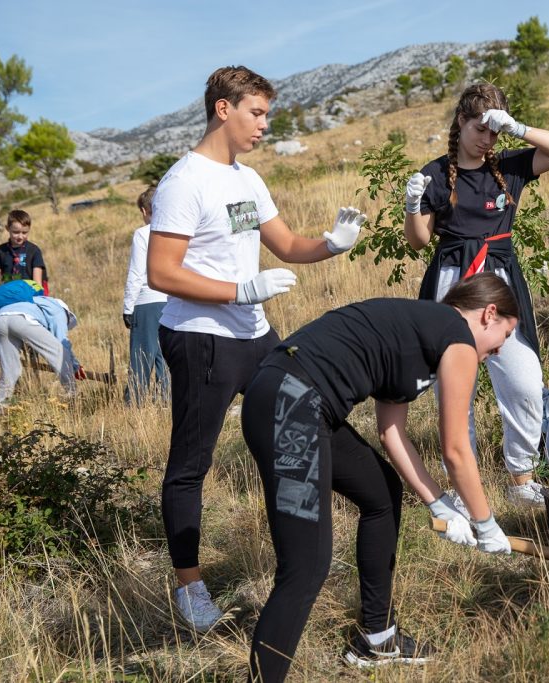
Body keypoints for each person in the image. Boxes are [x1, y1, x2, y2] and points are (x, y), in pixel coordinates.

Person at [145, 65, 367, 631]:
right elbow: (161, 272)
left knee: (301, 424)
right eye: (257, 112)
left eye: (267, 114)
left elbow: (286, 244)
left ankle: (305, 558)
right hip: (201, 337)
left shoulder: (247, 179)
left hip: (255, 334)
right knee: (192, 463)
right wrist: (238, 290)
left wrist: (331, 244)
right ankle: (190, 587)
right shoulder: (184, 182)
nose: (265, 124)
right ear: (224, 109)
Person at [241, 273, 517, 681]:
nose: (498, 350)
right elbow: (456, 450)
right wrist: (486, 522)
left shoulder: (422, 333)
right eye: (505, 335)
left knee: (382, 492)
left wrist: (437, 502)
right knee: (305, 565)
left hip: (289, 398)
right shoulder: (457, 337)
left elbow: (392, 434)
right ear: (489, 314)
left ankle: (378, 638)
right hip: (292, 403)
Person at [402, 83, 549, 508]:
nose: (487, 139)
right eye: (481, 129)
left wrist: (518, 128)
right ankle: (464, 489)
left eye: (495, 132)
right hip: (453, 281)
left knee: (524, 382)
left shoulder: (509, 166)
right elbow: (418, 241)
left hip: (499, 281)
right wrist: (412, 206)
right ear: (461, 121)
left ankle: (521, 479)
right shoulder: (436, 173)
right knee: (455, 389)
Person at [0, 294, 79, 414]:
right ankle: (74, 396)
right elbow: (61, 341)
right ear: (68, 314)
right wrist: (74, 366)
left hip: (0, 318)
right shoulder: (59, 310)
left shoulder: (31, 302)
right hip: (21, 320)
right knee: (61, 353)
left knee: (11, 370)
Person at [122, 186, 169, 405]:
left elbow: (136, 273)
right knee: (165, 357)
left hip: (147, 300)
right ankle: (166, 401)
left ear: (144, 210)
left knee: (141, 357)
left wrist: (128, 307)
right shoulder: (176, 231)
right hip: (172, 301)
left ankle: (134, 402)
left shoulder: (142, 234)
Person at [0, 209, 49, 293]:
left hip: (29, 293)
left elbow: (37, 284)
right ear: (7, 228)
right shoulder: (0, 251)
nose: (20, 237)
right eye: (16, 232)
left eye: (24, 232)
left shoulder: (34, 251)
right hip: (7, 294)